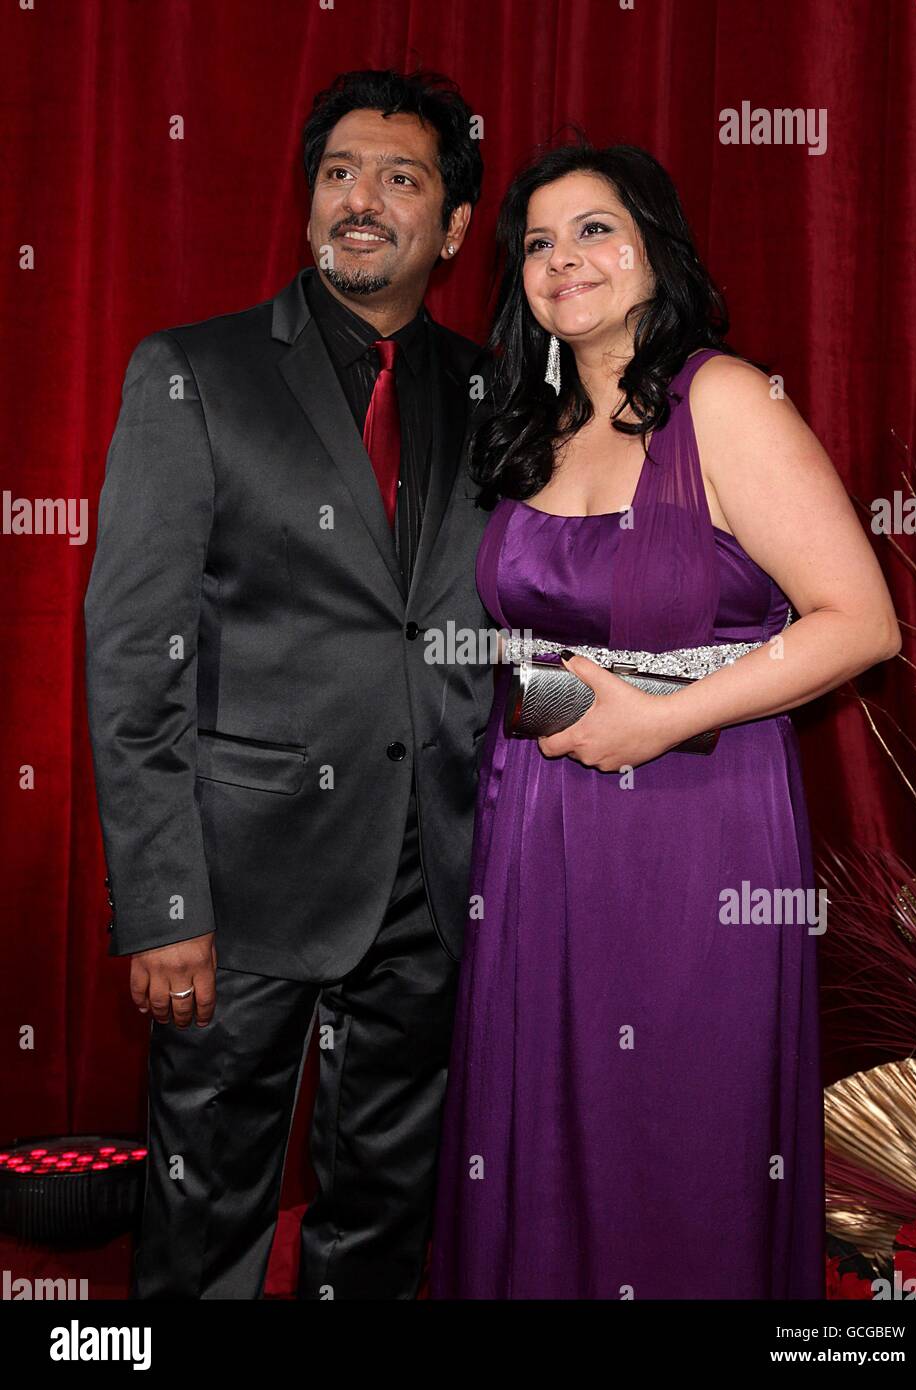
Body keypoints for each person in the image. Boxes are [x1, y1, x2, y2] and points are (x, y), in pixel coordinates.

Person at [429, 140, 902, 1299]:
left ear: (655, 248)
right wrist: (555, 719)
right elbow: (533, 646)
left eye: (594, 228)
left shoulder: (725, 400)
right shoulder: (529, 424)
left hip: (698, 821)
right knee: (541, 1111)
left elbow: (860, 622)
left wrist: (655, 721)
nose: (562, 259)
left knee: (678, 1119)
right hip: (538, 818)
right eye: (537, 242)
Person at [83, 68, 494, 1300]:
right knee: (204, 1220)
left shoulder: (494, 395)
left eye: (399, 178)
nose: (359, 201)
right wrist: (163, 902)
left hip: (434, 879)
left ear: (456, 228)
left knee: (379, 1219)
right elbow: (129, 651)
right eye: (337, 174)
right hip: (237, 884)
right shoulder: (191, 372)